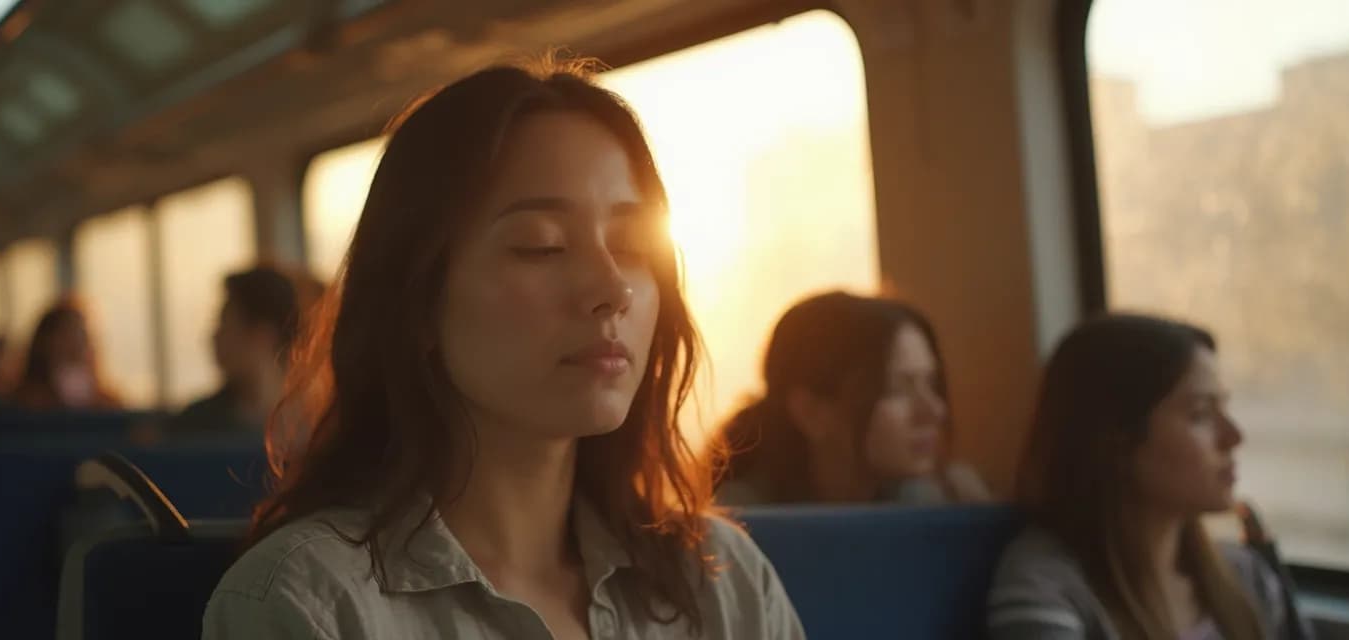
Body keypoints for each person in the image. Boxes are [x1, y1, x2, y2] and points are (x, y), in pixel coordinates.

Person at [202, 58, 804, 639]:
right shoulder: (311, 602)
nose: (613, 289)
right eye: (541, 245)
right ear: (418, 300)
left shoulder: (721, 581)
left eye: (631, 245)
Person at [988, 314, 1311, 640]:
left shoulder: (1246, 577)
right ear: (1115, 439)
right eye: (1200, 414)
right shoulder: (1048, 586)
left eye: (1224, 408)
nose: (1234, 436)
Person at [710, 291, 988, 505]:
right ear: (810, 412)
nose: (934, 410)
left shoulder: (953, 499)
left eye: (931, 383)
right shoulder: (739, 530)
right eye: (896, 389)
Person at [171, 265, 302, 434]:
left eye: (225, 324)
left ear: (263, 336)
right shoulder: (194, 423)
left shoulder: (313, 425)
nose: (214, 337)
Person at [10, 300, 121, 411]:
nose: (75, 346)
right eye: (66, 336)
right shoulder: (23, 402)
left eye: (82, 336)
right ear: (45, 343)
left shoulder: (107, 404)